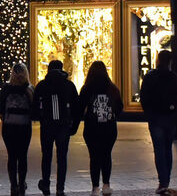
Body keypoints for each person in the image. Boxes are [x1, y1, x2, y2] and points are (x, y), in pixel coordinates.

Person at [75, 61, 123, 196]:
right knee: (107, 155)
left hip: (92, 128)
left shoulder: (87, 89)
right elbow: (119, 107)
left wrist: (75, 124)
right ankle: (106, 185)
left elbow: (79, 107)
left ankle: (95, 187)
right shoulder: (113, 89)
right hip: (109, 128)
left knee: (94, 157)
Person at [140, 50, 177, 195]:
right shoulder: (174, 78)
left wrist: (149, 113)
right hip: (170, 117)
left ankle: (162, 181)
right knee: (167, 148)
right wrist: (176, 113)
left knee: (159, 150)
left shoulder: (150, 77)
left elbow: (144, 96)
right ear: (170, 61)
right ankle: (166, 180)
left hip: (156, 117)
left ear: (158, 60)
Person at [34, 59, 78, 196]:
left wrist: (40, 118)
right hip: (63, 126)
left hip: (47, 126)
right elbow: (76, 107)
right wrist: (74, 126)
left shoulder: (42, 85)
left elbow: (35, 107)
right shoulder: (69, 85)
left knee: (46, 156)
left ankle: (46, 184)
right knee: (62, 157)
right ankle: (60, 188)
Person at [0, 62, 33, 196]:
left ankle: (13, 185)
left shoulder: (6, 88)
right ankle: (22, 183)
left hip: (9, 127)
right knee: (22, 156)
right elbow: (34, 110)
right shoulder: (29, 89)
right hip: (24, 127)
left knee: (12, 156)